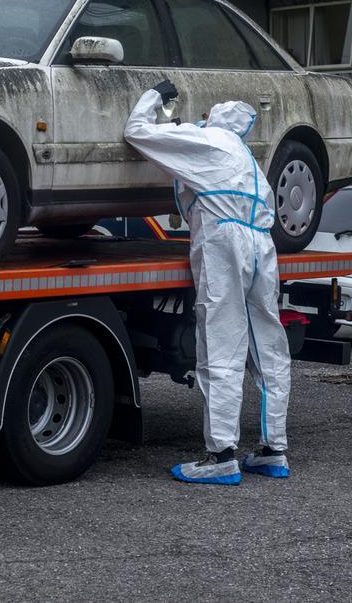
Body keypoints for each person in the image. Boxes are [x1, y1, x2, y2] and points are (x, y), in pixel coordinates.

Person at [124, 80, 291, 486]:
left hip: (225, 243)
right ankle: (274, 452)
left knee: (221, 343)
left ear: (214, 119)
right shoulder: (248, 159)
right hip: (262, 246)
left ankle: (221, 456)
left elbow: (137, 132)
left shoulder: (207, 140)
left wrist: (154, 95)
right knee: (268, 347)